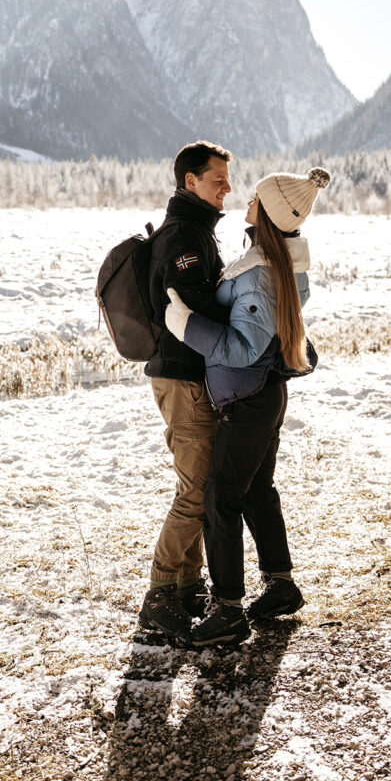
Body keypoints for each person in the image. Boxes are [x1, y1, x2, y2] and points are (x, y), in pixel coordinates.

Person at [164, 167, 330, 647]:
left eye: (256, 198)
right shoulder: (273, 264)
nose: (246, 201)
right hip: (261, 395)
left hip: (249, 400)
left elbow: (242, 349)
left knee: (221, 498)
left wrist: (185, 323)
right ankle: (280, 586)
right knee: (257, 489)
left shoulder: (259, 275)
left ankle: (229, 609)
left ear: (270, 213)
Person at [138, 140, 232, 644]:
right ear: (190, 181)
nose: (226, 188)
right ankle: (159, 593)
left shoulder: (195, 230)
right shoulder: (183, 237)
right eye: (217, 179)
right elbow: (194, 307)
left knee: (198, 486)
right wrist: (242, 303)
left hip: (188, 376)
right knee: (194, 493)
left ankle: (188, 585)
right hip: (181, 376)